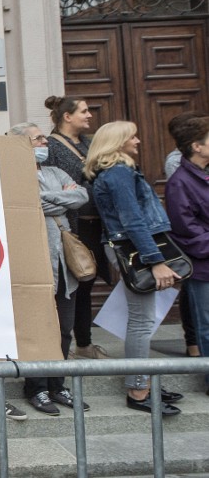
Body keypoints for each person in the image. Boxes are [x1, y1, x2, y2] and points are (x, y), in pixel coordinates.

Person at [84, 121, 184, 415]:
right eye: (132, 136)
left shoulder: (117, 172)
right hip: (135, 250)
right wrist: (155, 261)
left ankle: (144, 382)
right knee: (141, 321)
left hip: (131, 247)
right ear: (117, 142)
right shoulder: (117, 174)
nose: (139, 141)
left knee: (140, 318)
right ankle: (138, 390)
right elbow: (132, 221)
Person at [8, 123, 90, 416]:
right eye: (38, 138)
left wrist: (47, 200)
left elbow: (81, 197)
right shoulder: (12, 177)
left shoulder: (55, 172)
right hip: (34, 262)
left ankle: (57, 385)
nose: (45, 141)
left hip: (64, 264)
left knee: (63, 329)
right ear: (20, 145)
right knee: (38, 328)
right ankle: (36, 387)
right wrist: (60, 199)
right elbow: (24, 205)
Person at [43, 95, 111, 360]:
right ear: (67, 117)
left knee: (87, 282)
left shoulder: (89, 143)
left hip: (96, 226)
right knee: (69, 287)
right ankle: (63, 345)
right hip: (71, 228)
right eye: (83, 111)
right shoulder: (50, 147)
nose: (89, 115)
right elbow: (50, 188)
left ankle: (84, 342)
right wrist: (71, 194)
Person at [165, 116, 209, 390]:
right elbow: (186, 230)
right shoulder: (179, 183)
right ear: (197, 147)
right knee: (207, 325)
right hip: (203, 268)